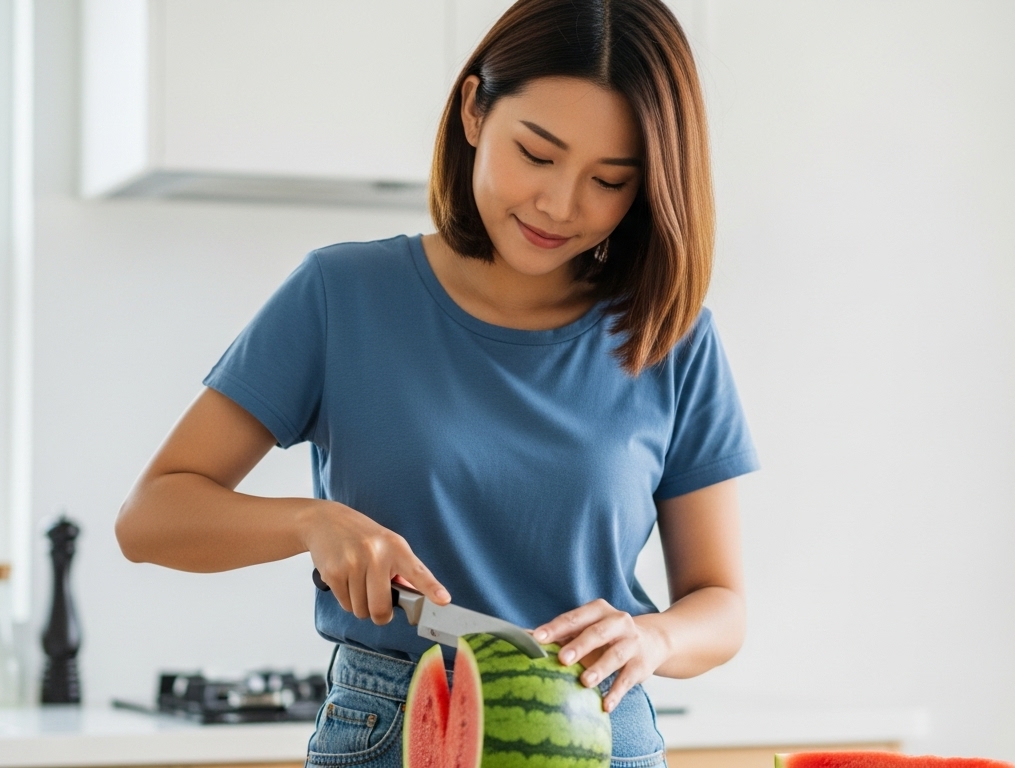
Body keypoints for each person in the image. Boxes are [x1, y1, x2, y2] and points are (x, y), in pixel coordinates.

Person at [115, 1, 757, 766]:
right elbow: (150, 518)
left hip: (603, 731)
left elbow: (721, 606)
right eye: (538, 154)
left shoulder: (672, 337)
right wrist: (309, 522)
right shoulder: (341, 293)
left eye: (609, 180)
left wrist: (653, 636)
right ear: (474, 111)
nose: (560, 205)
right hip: (390, 729)